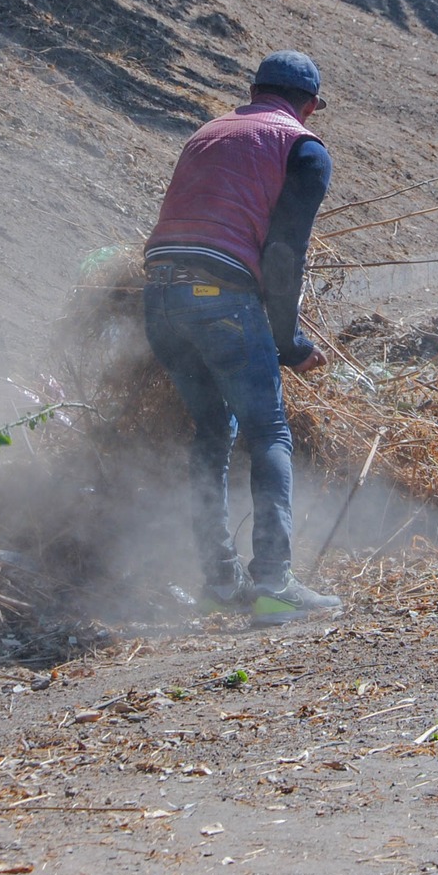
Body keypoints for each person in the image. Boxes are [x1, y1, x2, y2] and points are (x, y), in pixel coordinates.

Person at [143, 51, 341, 626]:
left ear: (253, 91)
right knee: (268, 430)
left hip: (158, 296)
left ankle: (218, 584)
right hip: (221, 299)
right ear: (309, 105)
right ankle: (275, 585)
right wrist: (290, 342)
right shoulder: (303, 147)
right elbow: (282, 255)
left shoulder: (207, 133)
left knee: (210, 431)